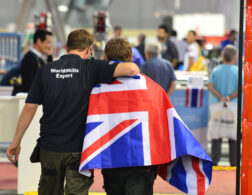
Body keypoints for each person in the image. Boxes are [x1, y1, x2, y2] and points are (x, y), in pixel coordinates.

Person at [6, 29, 140, 195]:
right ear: (89, 48)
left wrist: (16, 142)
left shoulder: (46, 70)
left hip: (50, 148)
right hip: (78, 151)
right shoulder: (91, 67)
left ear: (67, 47)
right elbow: (132, 69)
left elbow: (29, 107)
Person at [102, 37, 157, 195]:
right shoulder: (150, 88)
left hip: (112, 159)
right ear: (131, 57)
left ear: (105, 57)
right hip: (141, 159)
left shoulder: (98, 90)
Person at [208, 45, 239, 166]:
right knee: (233, 134)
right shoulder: (238, 71)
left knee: (217, 133)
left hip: (217, 105)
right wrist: (229, 98)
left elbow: (210, 86)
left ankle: (215, 161)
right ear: (235, 56)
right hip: (233, 106)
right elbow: (241, 88)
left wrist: (221, 97)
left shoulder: (216, 70)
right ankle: (234, 162)